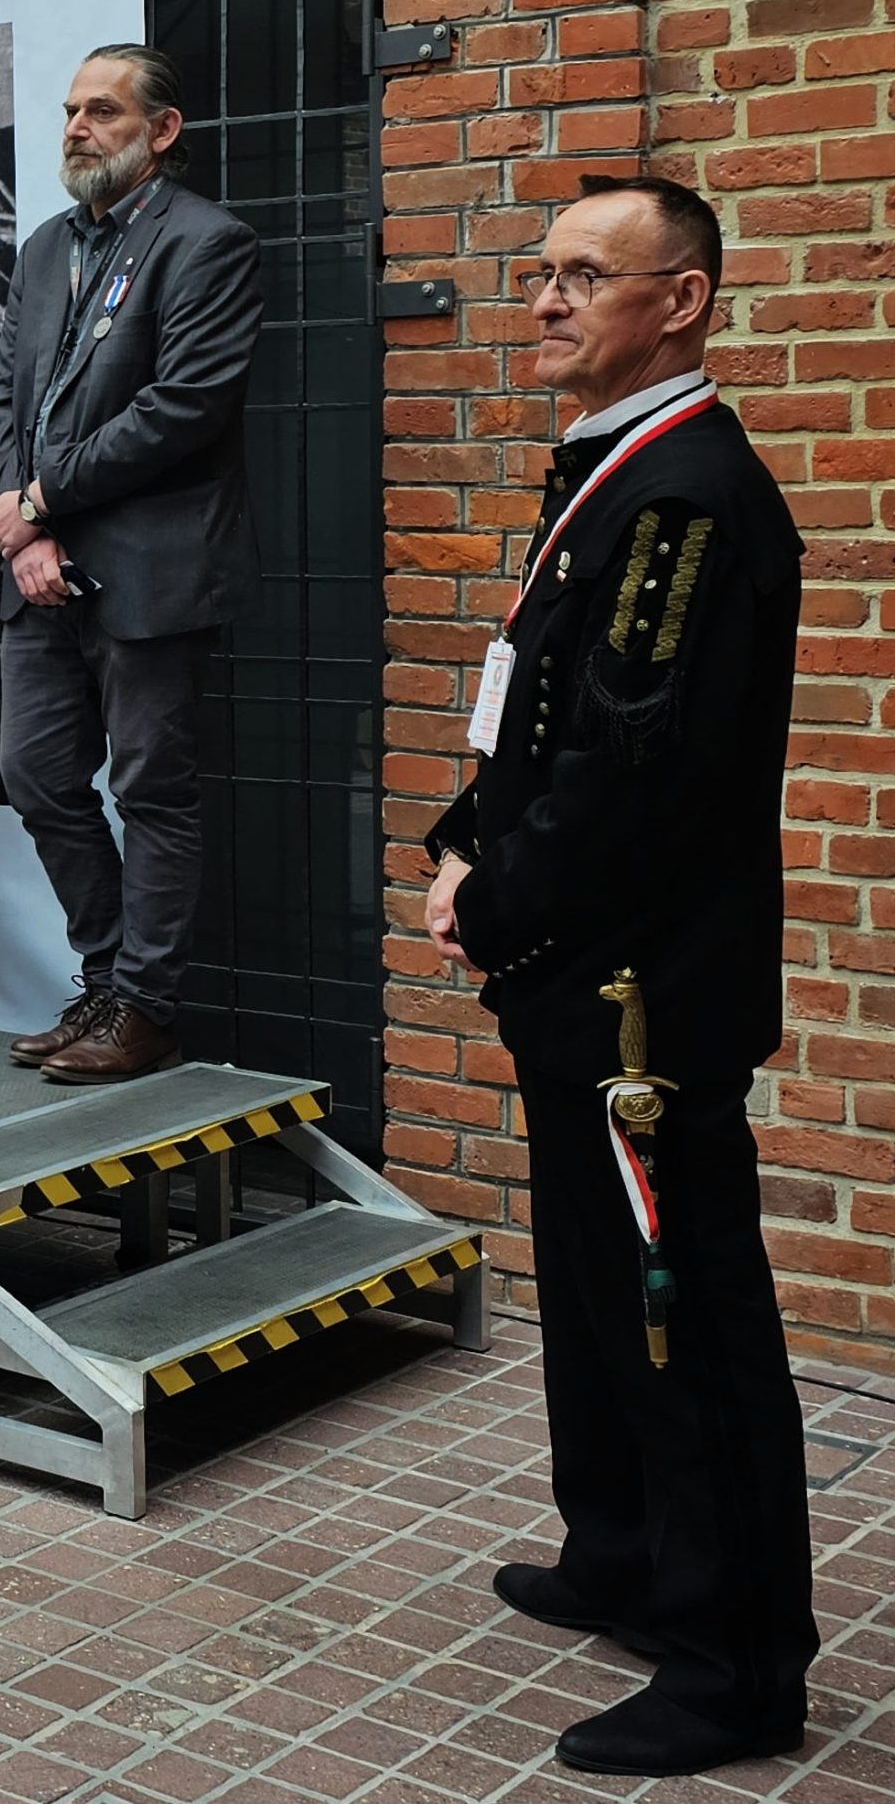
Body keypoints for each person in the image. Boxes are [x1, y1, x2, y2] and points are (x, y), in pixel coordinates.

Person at [423, 176, 813, 1779]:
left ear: (684, 300)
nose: (547, 299)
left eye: (589, 274)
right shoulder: (613, 469)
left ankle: (733, 1664)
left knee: (679, 1316)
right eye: (545, 272)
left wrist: (491, 897)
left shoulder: (686, 497)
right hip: (577, 971)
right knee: (596, 1287)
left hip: (641, 989)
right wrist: (467, 839)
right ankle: (628, 1551)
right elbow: (543, 711)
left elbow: (630, 773)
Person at [0, 46, 262, 1084]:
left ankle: (145, 1008)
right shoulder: (46, 245)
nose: (76, 127)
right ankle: (104, 981)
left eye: (102, 110)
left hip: (151, 570)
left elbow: (183, 407)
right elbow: (3, 399)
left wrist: (43, 501)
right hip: (40, 569)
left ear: (162, 129)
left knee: (150, 789)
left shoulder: (208, 241)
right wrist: (24, 526)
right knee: (35, 774)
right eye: (70, 110)